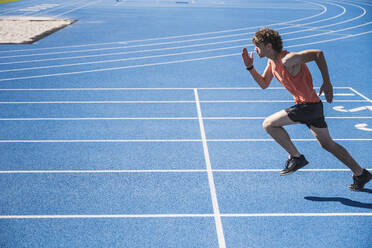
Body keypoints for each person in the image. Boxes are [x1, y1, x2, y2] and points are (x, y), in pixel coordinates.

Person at [241, 27, 371, 191]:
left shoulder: (289, 59)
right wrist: (250, 68)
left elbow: (318, 54)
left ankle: (296, 157)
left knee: (269, 124)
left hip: (308, 107)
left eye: (258, 45)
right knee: (328, 144)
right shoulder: (271, 62)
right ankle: (361, 173)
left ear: (268, 46)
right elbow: (264, 84)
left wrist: (327, 82)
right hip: (312, 107)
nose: (255, 49)